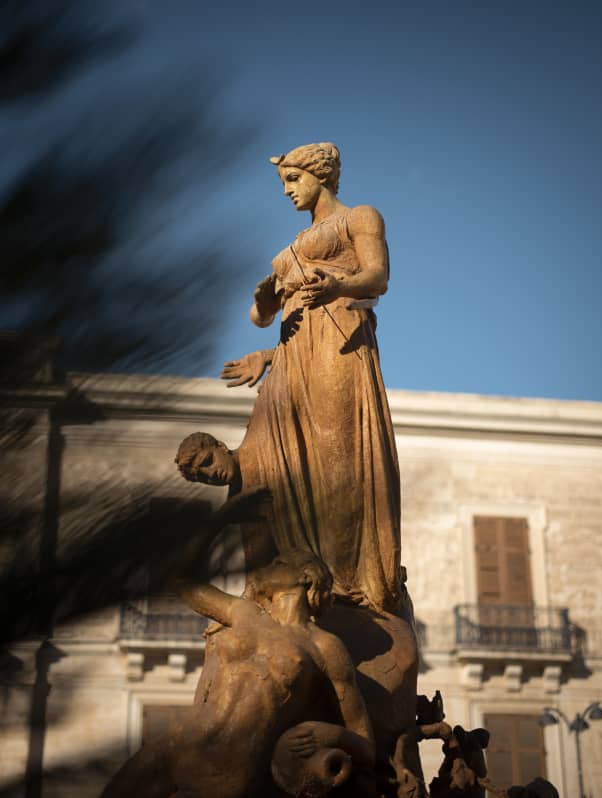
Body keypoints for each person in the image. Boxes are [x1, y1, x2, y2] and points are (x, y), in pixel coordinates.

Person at [221, 142, 402, 613]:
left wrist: (340, 285)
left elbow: (378, 276)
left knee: (336, 457)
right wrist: (265, 323)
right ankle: (282, 574)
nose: (287, 191)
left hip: (336, 345)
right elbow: (263, 316)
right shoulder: (290, 251)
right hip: (291, 358)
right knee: (276, 467)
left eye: (294, 180)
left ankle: (344, 580)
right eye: (285, 182)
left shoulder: (360, 217)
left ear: (321, 176)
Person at [99, 549, 375, 798]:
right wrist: (223, 517)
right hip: (176, 745)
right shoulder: (244, 612)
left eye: (278, 563)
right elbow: (180, 580)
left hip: (228, 771)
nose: (265, 568)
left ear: (305, 577)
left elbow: (365, 743)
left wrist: (330, 734)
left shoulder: (325, 646)